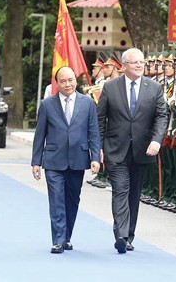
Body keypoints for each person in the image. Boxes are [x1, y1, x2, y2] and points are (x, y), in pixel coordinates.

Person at [97, 48, 167, 253]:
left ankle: (129, 235)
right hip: (116, 149)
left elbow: (161, 116)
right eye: (135, 62)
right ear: (124, 65)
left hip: (142, 149)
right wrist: (98, 148)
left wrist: (157, 140)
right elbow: (100, 119)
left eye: (142, 62)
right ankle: (121, 234)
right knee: (120, 190)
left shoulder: (154, 88)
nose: (139, 66)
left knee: (134, 194)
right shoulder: (110, 88)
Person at [31, 66, 101, 254]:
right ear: (57, 83)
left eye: (70, 80)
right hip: (53, 161)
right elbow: (40, 135)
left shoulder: (87, 103)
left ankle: (66, 236)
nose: (67, 84)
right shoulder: (47, 104)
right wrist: (36, 162)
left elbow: (94, 133)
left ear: (75, 80)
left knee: (72, 200)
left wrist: (95, 157)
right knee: (56, 200)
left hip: (78, 160)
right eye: (63, 81)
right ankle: (58, 240)